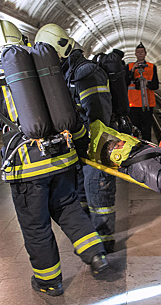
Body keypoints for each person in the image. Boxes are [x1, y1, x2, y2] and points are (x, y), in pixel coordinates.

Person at [0, 19, 109, 297]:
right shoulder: (44, 65)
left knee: (36, 226)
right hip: (63, 158)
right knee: (69, 207)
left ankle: (49, 282)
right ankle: (97, 254)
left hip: (26, 167)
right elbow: (69, 109)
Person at [35, 23, 123, 253]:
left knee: (99, 193)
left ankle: (105, 240)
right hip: (79, 145)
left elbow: (98, 114)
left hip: (97, 143)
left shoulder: (86, 72)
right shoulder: (67, 71)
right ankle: (92, 240)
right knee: (82, 193)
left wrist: (82, 135)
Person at [125, 42, 159, 141]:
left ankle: (147, 149)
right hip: (133, 104)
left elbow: (155, 86)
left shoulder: (152, 67)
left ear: (145, 53)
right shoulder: (129, 66)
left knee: (146, 129)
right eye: (138, 52)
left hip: (147, 104)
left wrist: (146, 83)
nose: (140, 54)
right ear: (135, 54)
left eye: (142, 52)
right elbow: (125, 82)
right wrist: (133, 70)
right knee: (134, 129)